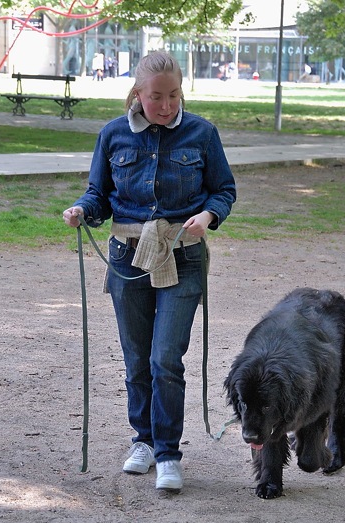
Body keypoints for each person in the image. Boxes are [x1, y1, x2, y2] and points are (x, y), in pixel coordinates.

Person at [63, 51, 236, 492]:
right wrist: (84, 209)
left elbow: (223, 190)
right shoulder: (113, 134)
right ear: (137, 94)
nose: (167, 105)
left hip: (183, 256)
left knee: (164, 359)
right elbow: (98, 193)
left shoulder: (202, 133)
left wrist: (209, 217)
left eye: (174, 94)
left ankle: (168, 454)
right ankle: (142, 441)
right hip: (127, 257)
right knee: (137, 359)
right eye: (157, 96)